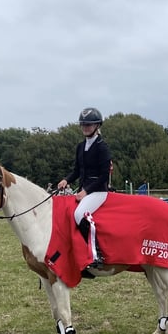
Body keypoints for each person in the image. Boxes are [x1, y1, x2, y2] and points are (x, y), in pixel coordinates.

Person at [57, 107, 111, 267]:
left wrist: (85, 191)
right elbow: (77, 171)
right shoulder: (80, 146)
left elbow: (104, 176)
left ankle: (96, 254)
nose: (85, 127)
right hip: (83, 190)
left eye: (89, 124)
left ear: (97, 126)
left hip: (98, 191)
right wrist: (66, 180)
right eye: (83, 124)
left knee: (80, 213)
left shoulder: (102, 147)